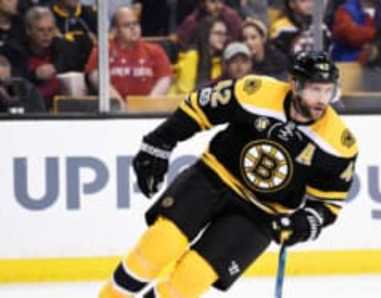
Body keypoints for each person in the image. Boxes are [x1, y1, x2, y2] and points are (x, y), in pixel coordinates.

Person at [99, 50, 358, 297]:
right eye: (315, 89)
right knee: (159, 245)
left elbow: (328, 205)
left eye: (328, 90)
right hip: (213, 176)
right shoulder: (255, 92)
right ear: (295, 84)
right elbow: (200, 107)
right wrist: (159, 142)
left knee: (190, 280)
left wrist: (303, 224)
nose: (322, 99)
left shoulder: (338, 143)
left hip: (261, 213)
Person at [85, 6, 173, 104]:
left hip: (148, 111)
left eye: (135, 24)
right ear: (115, 30)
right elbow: (95, 76)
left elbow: (165, 78)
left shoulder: (155, 50)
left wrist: (149, 103)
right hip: (112, 110)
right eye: (127, 25)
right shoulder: (103, 50)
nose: (133, 28)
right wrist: (117, 102)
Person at [168, 18, 228, 95]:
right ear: (206, 33)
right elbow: (184, 91)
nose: (222, 37)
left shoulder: (220, 60)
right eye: (218, 33)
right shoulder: (192, 56)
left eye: (224, 34)